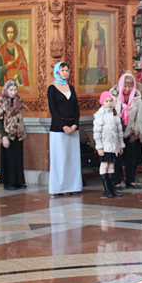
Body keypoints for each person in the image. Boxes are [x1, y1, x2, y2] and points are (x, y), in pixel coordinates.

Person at [47, 61, 82, 196]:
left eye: (67, 70)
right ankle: (59, 188)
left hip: (72, 129)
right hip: (59, 129)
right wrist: (63, 126)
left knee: (72, 159)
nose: (65, 72)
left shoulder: (71, 88)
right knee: (60, 159)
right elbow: (53, 109)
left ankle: (72, 186)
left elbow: (76, 108)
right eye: (62, 70)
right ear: (57, 72)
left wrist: (75, 124)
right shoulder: (52, 88)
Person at [111, 72, 142, 189]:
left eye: (130, 86)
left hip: (130, 131)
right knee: (117, 158)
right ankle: (117, 181)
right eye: (125, 86)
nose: (127, 89)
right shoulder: (113, 95)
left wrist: (135, 132)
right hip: (116, 132)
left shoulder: (137, 96)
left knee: (131, 157)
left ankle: (130, 180)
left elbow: (139, 115)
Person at [0, 79, 27, 190]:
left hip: (18, 133)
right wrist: (4, 136)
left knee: (18, 158)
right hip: (8, 133)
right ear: (6, 90)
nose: (13, 92)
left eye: (15, 90)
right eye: (11, 90)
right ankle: (9, 182)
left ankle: (19, 181)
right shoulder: (1, 101)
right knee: (9, 159)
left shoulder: (19, 100)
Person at [93, 91, 123, 198]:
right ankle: (105, 188)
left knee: (111, 165)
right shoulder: (99, 115)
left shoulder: (115, 115)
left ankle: (112, 188)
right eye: (106, 101)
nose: (109, 103)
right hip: (104, 145)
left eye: (110, 101)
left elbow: (119, 131)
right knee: (104, 165)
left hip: (114, 145)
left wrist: (121, 145)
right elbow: (97, 133)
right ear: (102, 102)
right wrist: (99, 147)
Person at [0, 20, 29, 87]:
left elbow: (24, 68)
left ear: (14, 33)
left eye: (11, 32)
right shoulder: (2, 50)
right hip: (5, 81)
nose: (10, 35)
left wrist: (18, 75)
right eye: (8, 32)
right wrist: (6, 65)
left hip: (17, 82)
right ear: (5, 34)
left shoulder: (19, 49)